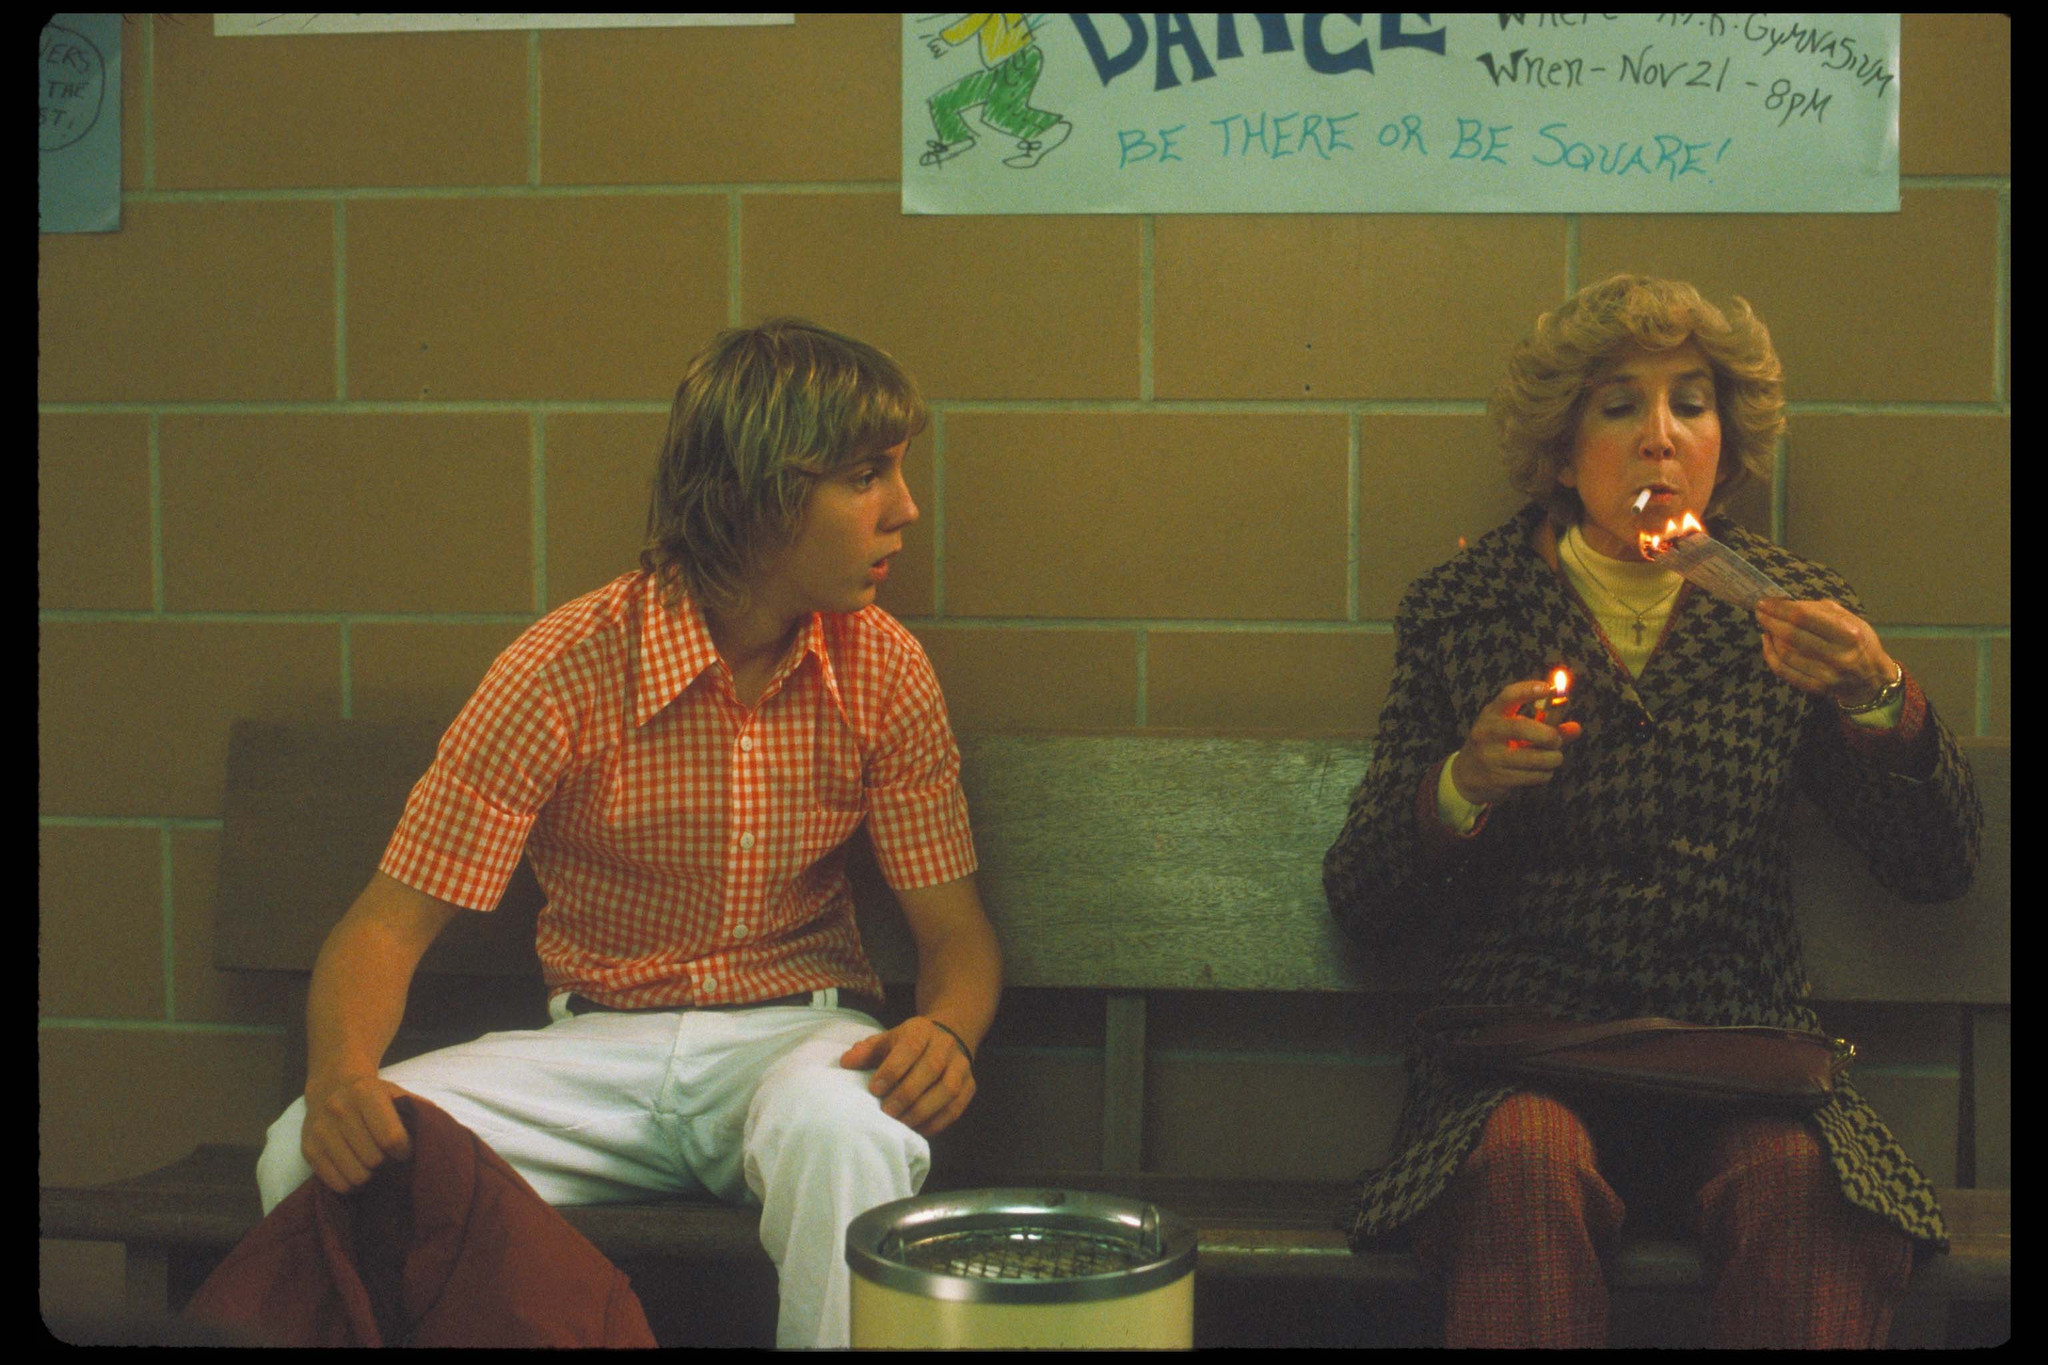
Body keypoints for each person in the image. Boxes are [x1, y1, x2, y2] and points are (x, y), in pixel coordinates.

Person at [253, 318, 1003, 1349]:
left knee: (844, 1130)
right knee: (305, 1148)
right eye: (866, 476)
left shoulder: (883, 666)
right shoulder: (564, 663)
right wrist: (338, 1077)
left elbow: (954, 939)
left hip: (794, 1040)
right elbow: (385, 926)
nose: (905, 511)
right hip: (593, 1055)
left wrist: (946, 1032)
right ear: (763, 491)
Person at [1322, 275, 1981, 1348]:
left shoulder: (1790, 610)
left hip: (1741, 1061)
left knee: (1806, 1197)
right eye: (1618, 406)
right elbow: (1361, 899)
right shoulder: (1463, 607)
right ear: (1559, 445)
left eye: (1691, 403)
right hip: (1520, 1064)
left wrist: (1877, 698)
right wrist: (1462, 786)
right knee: (1523, 1178)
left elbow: (1932, 866)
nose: (1660, 440)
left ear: (1727, 439)